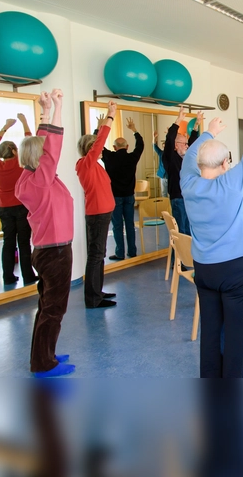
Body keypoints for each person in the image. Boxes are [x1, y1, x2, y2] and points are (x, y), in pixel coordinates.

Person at [180, 102, 243, 378]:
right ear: (225, 163)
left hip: (205, 270)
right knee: (237, 335)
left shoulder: (188, 183)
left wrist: (208, 133)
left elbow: (188, 158)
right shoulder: (231, 183)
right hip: (237, 271)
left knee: (211, 332)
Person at [15, 89, 75, 378]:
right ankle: (43, 363)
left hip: (48, 251)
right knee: (54, 309)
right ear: (39, 158)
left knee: (46, 306)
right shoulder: (39, 181)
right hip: (55, 252)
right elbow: (52, 146)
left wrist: (46, 110)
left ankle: (45, 353)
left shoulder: (31, 178)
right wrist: (58, 108)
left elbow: (44, 146)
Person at [76, 100, 118, 309]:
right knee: (96, 256)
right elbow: (98, 142)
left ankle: (97, 292)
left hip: (103, 214)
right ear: (91, 149)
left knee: (99, 254)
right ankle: (92, 299)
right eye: (97, 147)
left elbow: (95, 142)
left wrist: (100, 126)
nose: (101, 149)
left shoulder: (93, 165)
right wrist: (110, 117)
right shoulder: (86, 164)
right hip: (98, 215)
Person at [0, 113, 38, 286]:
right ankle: (28, 275)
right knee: (24, 243)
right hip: (21, 207)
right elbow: (29, 143)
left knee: (8, 242)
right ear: (13, 151)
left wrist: (6, 126)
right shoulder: (19, 163)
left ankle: (8, 276)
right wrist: (24, 122)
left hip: (4, 209)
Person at [101, 118, 144, 260]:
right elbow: (140, 145)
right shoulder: (132, 157)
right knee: (130, 225)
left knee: (117, 226)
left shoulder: (109, 157)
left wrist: (100, 127)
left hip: (115, 197)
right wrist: (134, 130)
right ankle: (132, 251)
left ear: (114, 147)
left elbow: (97, 144)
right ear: (127, 147)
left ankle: (120, 253)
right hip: (129, 196)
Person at [163, 108, 202, 236]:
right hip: (178, 198)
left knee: (189, 230)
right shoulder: (170, 157)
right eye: (183, 143)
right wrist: (178, 120)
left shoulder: (186, 157)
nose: (186, 145)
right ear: (175, 145)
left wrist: (196, 125)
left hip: (189, 197)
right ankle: (180, 256)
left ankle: (189, 255)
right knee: (181, 231)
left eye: (186, 143)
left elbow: (193, 143)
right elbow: (169, 140)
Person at [153, 130, 168, 197]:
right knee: (164, 193)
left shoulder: (172, 154)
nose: (164, 148)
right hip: (163, 176)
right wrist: (154, 137)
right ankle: (164, 206)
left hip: (170, 176)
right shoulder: (161, 153)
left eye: (165, 146)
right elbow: (154, 146)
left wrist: (168, 134)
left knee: (171, 194)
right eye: (163, 146)